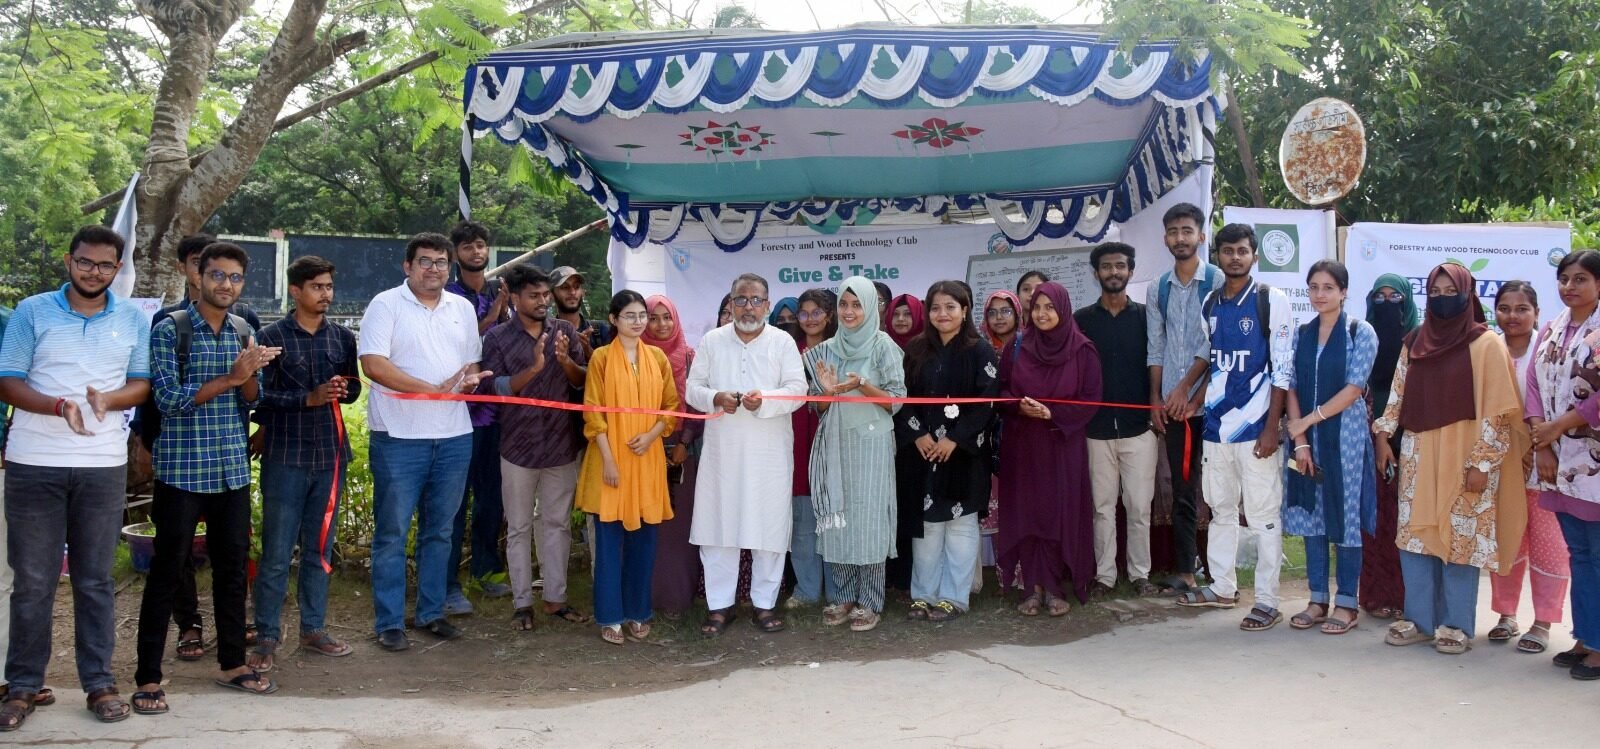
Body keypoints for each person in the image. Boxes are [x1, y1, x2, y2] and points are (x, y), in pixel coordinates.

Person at [0, 226, 149, 729]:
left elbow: (141, 383)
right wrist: (57, 405)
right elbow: (7, 381)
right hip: (33, 462)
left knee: (95, 580)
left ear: (117, 269)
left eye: (105, 265)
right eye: (85, 262)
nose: (94, 272)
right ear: (69, 261)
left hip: (102, 465)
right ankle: (23, 686)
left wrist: (109, 399)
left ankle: (99, 683)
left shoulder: (131, 318)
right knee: (33, 581)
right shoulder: (33, 311)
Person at [137, 242, 283, 712]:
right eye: (218, 275)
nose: (226, 285)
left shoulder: (244, 329)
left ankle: (233, 665)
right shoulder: (171, 328)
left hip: (231, 471)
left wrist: (251, 373)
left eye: (235, 277)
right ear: (198, 276)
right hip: (182, 470)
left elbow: (252, 399)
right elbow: (168, 400)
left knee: (232, 570)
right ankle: (148, 677)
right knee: (167, 571)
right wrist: (232, 376)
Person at [1375, 262, 1528, 654]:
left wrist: (1482, 463)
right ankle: (1420, 620)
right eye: (1435, 292)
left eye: (1451, 292)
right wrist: (1383, 436)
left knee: (1463, 538)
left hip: (1467, 456)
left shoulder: (1486, 344)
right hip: (1419, 453)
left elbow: (1499, 412)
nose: (1443, 299)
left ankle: (1456, 624)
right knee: (1415, 537)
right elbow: (1396, 394)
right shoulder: (1415, 342)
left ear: (1467, 295)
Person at [358, 232, 493, 652]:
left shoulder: (462, 308)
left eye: (441, 262)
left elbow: (471, 362)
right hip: (399, 437)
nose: (434, 269)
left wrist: (469, 381)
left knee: (440, 531)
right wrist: (430, 390)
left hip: (454, 436)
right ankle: (389, 621)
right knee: (393, 533)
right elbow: (373, 364)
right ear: (407, 266)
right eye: (425, 261)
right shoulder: (385, 304)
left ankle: (431, 612)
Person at [1175, 224, 1293, 632]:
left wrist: (1272, 427)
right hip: (1216, 428)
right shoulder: (1211, 303)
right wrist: (1193, 398)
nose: (1235, 257)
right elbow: (1215, 360)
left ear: (1254, 256)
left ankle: (1268, 601)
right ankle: (1223, 586)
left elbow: (1283, 368)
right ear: (1218, 256)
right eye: (1228, 251)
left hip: (1256, 428)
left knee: (1262, 515)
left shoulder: (1270, 300)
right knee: (1221, 510)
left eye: (1242, 251)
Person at [247, 256, 362, 672]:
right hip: (286, 456)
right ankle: (266, 635)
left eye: (329, 286)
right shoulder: (270, 338)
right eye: (317, 287)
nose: (325, 294)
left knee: (319, 549)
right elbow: (257, 397)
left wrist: (342, 389)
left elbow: (354, 388)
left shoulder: (342, 338)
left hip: (330, 455)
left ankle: (313, 629)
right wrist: (307, 398)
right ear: (295, 291)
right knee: (277, 552)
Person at [686, 273, 808, 637]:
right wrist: (716, 397)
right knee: (718, 528)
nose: (748, 307)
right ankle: (719, 606)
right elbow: (693, 389)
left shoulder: (782, 342)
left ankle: (764, 604)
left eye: (756, 300)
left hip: (769, 454)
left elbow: (798, 390)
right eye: (741, 299)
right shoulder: (712, 340)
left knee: (768, 528)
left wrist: (764, 400)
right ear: (731, 303)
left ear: (767, 305)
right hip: (722, 454)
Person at [482, 264, 590, 631]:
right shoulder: (497, 338)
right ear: (514, 298)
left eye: (546, 295)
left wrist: (565, 362)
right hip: (518, 446)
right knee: (518, 526)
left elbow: (581, 382)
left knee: (557, 523)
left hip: (561, 444)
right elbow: (494, 388)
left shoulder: (564, 331)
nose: (543, 301)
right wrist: (533, 370)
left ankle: (556, 598)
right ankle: (522, 603)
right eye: (534, 296)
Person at [575, 291, 679, 644]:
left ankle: (638, 612)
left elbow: (670, 406)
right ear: (614, 319)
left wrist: (651, 436)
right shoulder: (602, 358)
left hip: (647, 459)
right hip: (611, 460)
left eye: (642, 316)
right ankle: (610, 617)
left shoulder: (658, 358)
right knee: (608, 545)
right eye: (630, 315)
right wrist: (608, 460)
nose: (638, 322)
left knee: (644, 543)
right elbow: (593, 412)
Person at [804, 278, 906, 632]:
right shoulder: (826, 349)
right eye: (844, 305)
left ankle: (870, 601)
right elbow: (818, 409)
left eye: (857, 304)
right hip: (835, 442)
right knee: (838, 518)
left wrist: (861, 384)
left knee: (870, 520)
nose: (849, 312)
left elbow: (896, 401)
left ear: (870, 307)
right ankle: (845, 596)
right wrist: (827, 392)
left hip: (872, 444)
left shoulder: (883, 346)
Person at [1282, 260, 1378, 635]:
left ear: (1344, 291)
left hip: (1345, 439)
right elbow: (1290, 386)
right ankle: (1317, 599)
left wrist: (1308, 420)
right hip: (1307, 440)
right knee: (1312, 515)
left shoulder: (1360, 332)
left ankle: (1348, 603)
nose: (1320, 294)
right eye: (1314, 287)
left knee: (1345, 516)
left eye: (1328, 287)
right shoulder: (1301, 334)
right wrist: (1300, 442)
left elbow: (1354, 390)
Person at [998, 281, 1100, 614]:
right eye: (1037, 307)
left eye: (1050, 307)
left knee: (1058, 514)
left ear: (1064, 309)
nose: (1042, 314)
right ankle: (1032, 587)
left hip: (1062, 445)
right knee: (1027, 514)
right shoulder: (1017, 346)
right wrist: (1018, 407)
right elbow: (1000, 392)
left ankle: (1055, 587)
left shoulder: (1083, 350)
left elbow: (1091, 399)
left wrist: (1052, 412)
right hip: (1024, 446)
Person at [897, 280, 997, 621]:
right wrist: (918, 435)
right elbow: (900, 396)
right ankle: (923, 596)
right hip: (923, 453)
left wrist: (955, 439)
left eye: (950, 307)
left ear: (964, 310)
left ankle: (954, 598)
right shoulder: (915, 349)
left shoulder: (980, 351)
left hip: (964, 453)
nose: (943, 314)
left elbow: (987, 402)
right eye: (936, 308)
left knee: (960, 526)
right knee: (926, 527)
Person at [1525, 251, 1600, 676]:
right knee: (1580, 554)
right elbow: (1534, 386)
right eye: (1565, 278)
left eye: (1581, 279)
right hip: (1557, 462)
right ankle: (1586, 636)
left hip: (1592, 462)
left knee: (1598, 554)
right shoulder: (1551, 328)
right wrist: (1543, 443)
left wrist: (1560, 426)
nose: (1570, 286)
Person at [1074, 242, 1160, 597]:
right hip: (1095, 430)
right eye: (1107, 267)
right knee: (1102, 508)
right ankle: (1105, 576)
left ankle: (1140, 575)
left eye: (1120, 266)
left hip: (1139, 429)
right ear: (1096, 274)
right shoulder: (1081, 321)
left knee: (1139, 507)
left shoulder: (1147, 317)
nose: (1114, 272)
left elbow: (1158, 362)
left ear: (1131, 271)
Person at [1147, 202, 1222, 592]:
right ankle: (1186, 571)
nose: (1180, 238)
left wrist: (1188, 391)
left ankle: (1221, 572)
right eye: (1174, 231)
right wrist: (1157, 398)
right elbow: (1155, 346)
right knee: (1183, 489)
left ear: (1201, 236)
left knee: (1221, 489)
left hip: (1215, 403)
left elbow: (1217, 344)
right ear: (1165, 239)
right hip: (1175, 410)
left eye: (1187, 230)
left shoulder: (1218, 280)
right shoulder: (1158, 287)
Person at [1493, 281, 1568, 653]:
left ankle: (1542, 622)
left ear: (1537, 312)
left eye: (1522, 309)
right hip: (1500, 466)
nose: (1513, 316)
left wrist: (1539, 446)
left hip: (1545, 463)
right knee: (1506, 540)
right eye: (1505, 308)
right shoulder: (1489, 350)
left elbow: (1559, 403)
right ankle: (1506, 615)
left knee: (1548, 545)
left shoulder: (1550, 351)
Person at [443, 221, 513, 613]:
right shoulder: (446, 296)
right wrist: (494, 316)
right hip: (456, 414)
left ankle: (486, 571)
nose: (476, 251)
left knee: (491, 499)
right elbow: (460, 344)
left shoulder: (499, 291)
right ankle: (447, 582)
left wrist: (505, 310)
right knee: (454, 502)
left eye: (481, 245)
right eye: (468, 246)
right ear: (456, 254)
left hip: (496, 413)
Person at [1361, 273, 1419, 620]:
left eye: (1395, 298)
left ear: (1407, 303)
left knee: (1406, 522)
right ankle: (1376, 595)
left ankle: (1409, 598)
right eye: (1379, 298)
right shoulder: (1361, 339)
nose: (1387, 305)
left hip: (1412, 441)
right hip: (1368, 441)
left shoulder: (1420, 343)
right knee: (1376, 520)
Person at [644, 294, 702, 618]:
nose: (661, 325)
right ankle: (647, 597)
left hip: (682, 452)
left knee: (679, 528)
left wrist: (684, 441)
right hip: (643, 450)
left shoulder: (690, 357)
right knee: (648, 526)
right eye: (653, 318)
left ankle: (677, 598)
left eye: (667, 317)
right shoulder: (636, 356)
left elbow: (696, 403)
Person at [786, 289, 838, 609]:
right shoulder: (788, 350)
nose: (810, 319)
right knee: (803, 521)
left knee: (833, 521)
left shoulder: (840, 350)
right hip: (797, 439)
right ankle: (806, 590)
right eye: (803, 313)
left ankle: (837, 591)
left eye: (817, 312)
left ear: (829, 316)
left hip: (833, 440)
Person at [979, 290, 1025, 577]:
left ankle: (1024, 574)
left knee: (1021, 505)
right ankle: (1003, 575)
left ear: (1017, 314)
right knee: (995, 507)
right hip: (987, 439)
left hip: (1021, 434)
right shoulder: (979, 349)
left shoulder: (1029, 347)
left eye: (1005, 311)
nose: (999, 318)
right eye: (992, 312)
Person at [550, 266, 612, 356]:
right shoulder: (547, 334)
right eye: (565, 287)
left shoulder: (600, 330)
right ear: (551, 295)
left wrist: (588, 350)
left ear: (583, 292)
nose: (572, 292)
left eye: (576, 287)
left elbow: (612, 364)